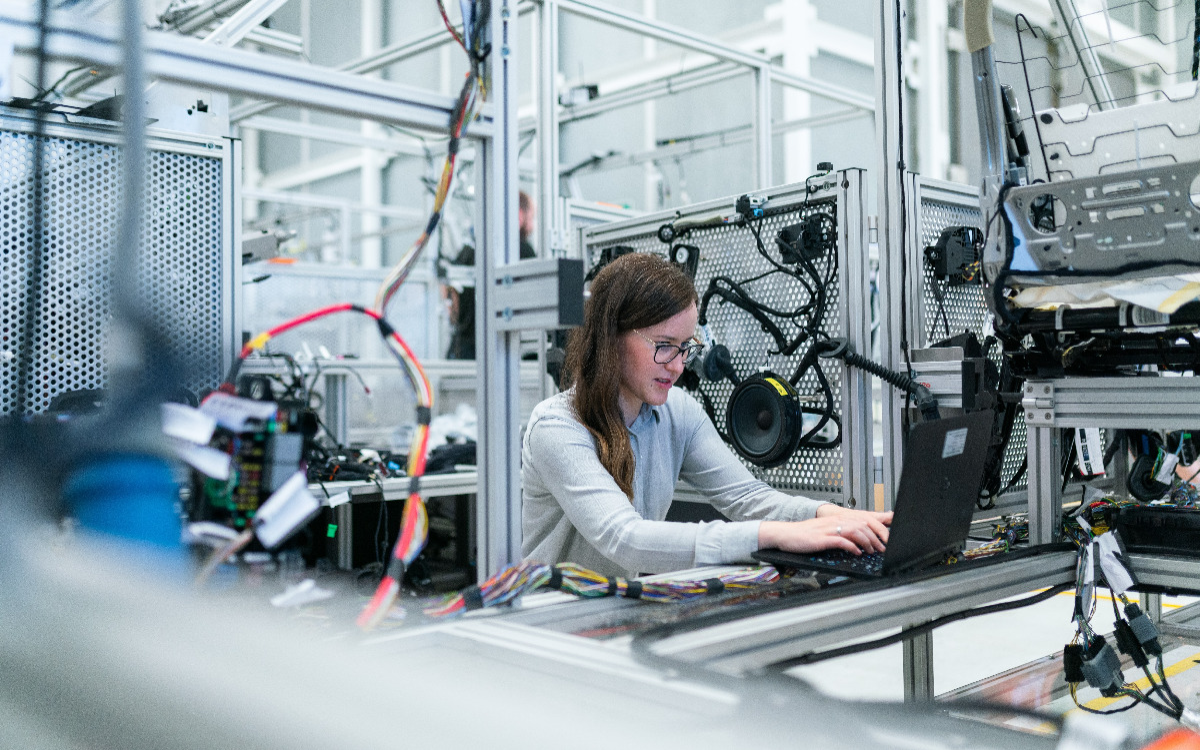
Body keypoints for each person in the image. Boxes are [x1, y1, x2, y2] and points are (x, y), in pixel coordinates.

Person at [521, 252, 892, 578]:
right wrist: (770, 535)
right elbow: (625, 539)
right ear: (610, 338)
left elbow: (748, 497)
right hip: (553, 626)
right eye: (664, 346)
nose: (679, 366)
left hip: (616, 612)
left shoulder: (677, 413)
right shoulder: (558, 427)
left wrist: (831, 516)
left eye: (685, 347)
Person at [445, 191, 536, 360]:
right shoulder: (522, 249)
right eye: (532, 217)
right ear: (519, 214)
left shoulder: (471, 248)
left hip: (462, 350)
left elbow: (448, 292)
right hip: (500, 350)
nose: (532, 226)